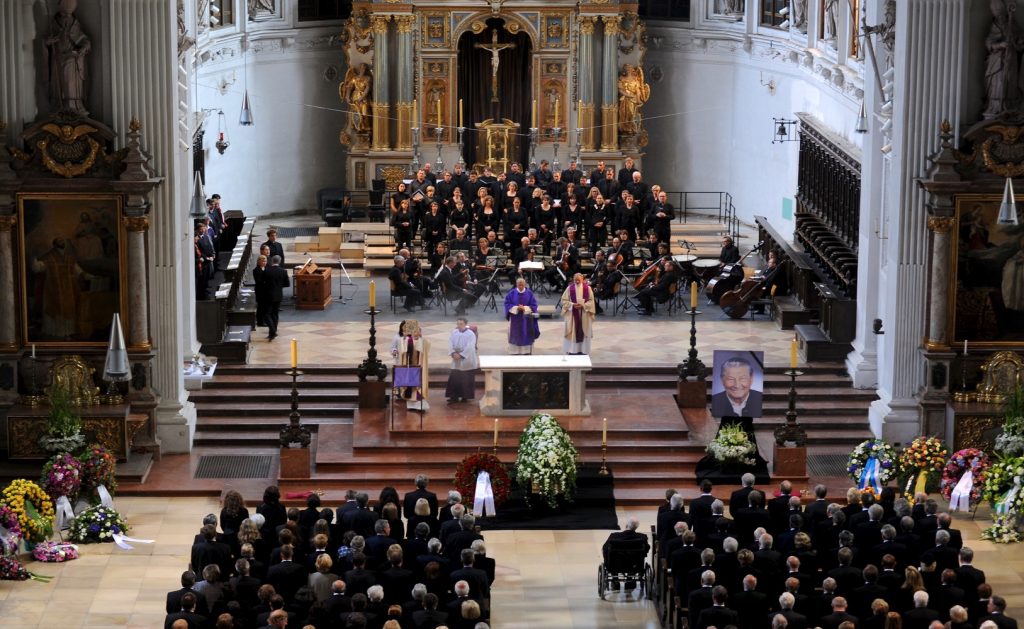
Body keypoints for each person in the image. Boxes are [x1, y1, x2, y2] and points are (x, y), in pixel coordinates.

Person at [395, 320, 430, 412]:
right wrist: (405, 338)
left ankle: (419, 406)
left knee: (418, 386)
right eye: (414, 331)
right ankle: (411, 405)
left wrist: (420, 340)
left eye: (418, 331)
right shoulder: (406, 340)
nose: (416, 333)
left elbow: (424, 349)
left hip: (419, 368)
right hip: (409, 367)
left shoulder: (423, 341)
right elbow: (402, 351)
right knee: (409, 386)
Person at [560, 273, 595, 355]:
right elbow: (564, 300)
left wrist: (584, 305)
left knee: (584, 330)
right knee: (573, 331)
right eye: (575, 279)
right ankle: (573, 350)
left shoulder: (588, 288)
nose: (577, 281)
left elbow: (591, 300)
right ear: (573, 279)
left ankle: (584, 350)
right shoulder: (569, 288)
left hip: (584, 314)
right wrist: (572, 305)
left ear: (582, 279)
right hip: (573, 314)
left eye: (579, 279)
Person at [446, 317, 478, 403]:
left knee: (466, 378)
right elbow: (450, 342)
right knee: (455, 377)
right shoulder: (454, 332)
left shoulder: (471, 334)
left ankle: (465, 396)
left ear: (465, 324)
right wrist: (453, 353)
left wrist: (461, 355)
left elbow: (470, 346)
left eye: (461, 324)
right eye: (458, 324)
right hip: (456, 357)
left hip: (466, 359)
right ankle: (454, 396)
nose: (459, 326)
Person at [504, 277, 540, 354]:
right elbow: (507, 304)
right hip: (515, 318)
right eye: (519, 285)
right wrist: (517, 308)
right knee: (515, 333)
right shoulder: (512, 293)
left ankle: (525, 351)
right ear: (516, 285)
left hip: (526, 319)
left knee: (526, 332)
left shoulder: (529, 293)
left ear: (525, 284)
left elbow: (534, 305)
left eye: (522, 285)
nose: (520, 287)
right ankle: (515, 351)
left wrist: (524, 308)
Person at [264, 255, 290, 341]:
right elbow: (287, 284)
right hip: (278, 295)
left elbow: (263, 282)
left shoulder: (267, 270)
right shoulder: (283, 271)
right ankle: (272, 333)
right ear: (279, 261)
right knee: (275, 314)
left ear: (272, 261)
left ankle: (272, 330)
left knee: (267, 314)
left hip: (268, 295)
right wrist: (279, 286)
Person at [253, 254, 270, 328]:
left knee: (266, 307)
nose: (264, 262)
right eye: (263, 261)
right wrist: (267, 282)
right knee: (261, 306)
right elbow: (259, 281)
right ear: (258, 262)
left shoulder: (267, 268)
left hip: (266, 291)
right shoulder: (256, 270)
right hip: (260, 291)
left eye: (265, 261)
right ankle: (260, 321)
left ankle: (265, 320)